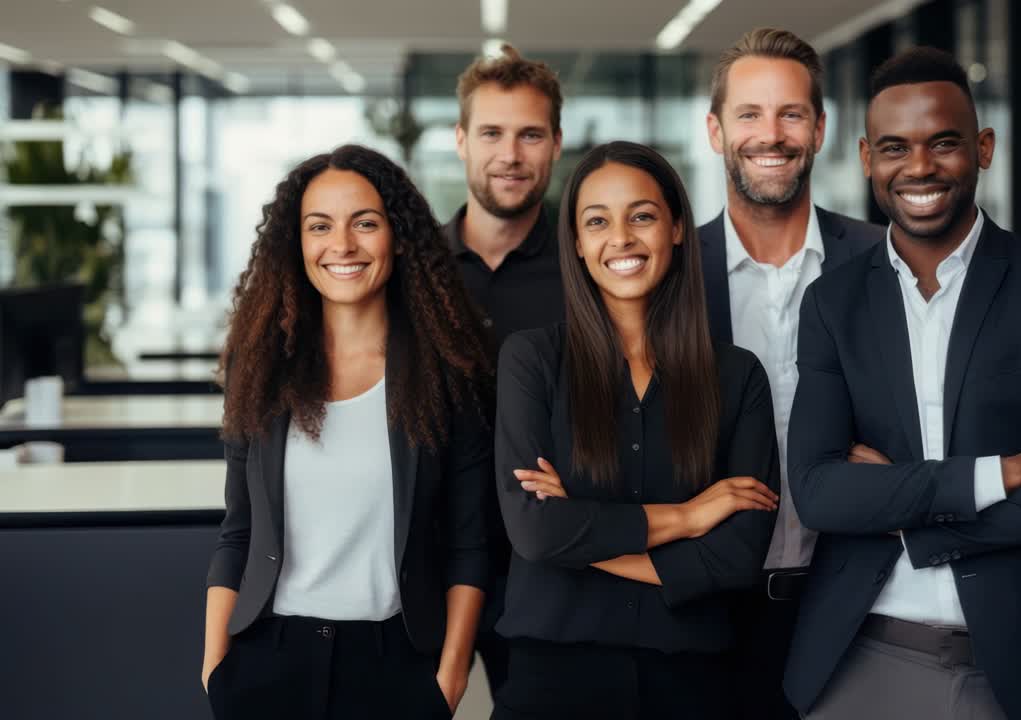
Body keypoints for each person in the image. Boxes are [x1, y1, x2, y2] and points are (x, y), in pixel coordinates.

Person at [784, 47, 1021, 720]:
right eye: (894, 147)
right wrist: (997, 476)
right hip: (864, 654)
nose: (919, 168)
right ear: (865, 158)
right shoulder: (832, 304)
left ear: (984, 148)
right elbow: (819, 491)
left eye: (944, 143)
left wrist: (913, 526)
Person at [202, 144, 493, 719]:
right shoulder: (258, 366)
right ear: (297, 244)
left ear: (398, 237)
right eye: (320, 226)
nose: (342, 245)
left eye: (365, 223)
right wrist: (216, 667)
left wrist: (450, 677)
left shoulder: (447, 370)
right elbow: (238, 530)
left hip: (395, 666)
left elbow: (469, 544)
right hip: (267, 659)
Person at [492, 141, 780, 719]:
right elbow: (535, 532)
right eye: (597, 221)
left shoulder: (737, 375)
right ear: (576, 242)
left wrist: (582, 534)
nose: (620, 238)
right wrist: (688, 517)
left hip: (696, 683)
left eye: (641, 216)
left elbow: (735, 558)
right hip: (554, 679)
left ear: (676, 228)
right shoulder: (532, 360)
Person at [698, 26, 881, 720]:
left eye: (790, 113)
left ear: (821, 128)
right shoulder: (669, 276)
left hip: (857, 605)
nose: (769, 134)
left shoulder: (881, 263)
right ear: (716, 131)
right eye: (749, 113)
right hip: (708, 613)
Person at [444, 44, 567, 695]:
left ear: (555, 144)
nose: (510, 155)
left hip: (557, 565)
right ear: (461, 139)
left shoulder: (590, 269)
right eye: (491, 132)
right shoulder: (414, 274)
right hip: (432, 560)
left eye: (530, 135)